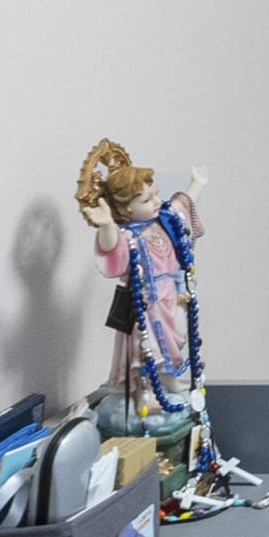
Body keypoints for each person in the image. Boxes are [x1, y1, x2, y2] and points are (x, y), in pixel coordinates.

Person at [74, 140, 208, 441]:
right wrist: (107, 224)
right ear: (125, 208)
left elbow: (180, 207)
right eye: (147, 200)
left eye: (156, 194)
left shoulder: (164, 222)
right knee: (145, 350)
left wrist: (195, 185)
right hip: (144, 303)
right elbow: (112, 250)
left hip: (169, 296)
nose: (157, 202)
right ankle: (143, 393)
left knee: (173, 345)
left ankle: (169, 380)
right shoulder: (129, 238)